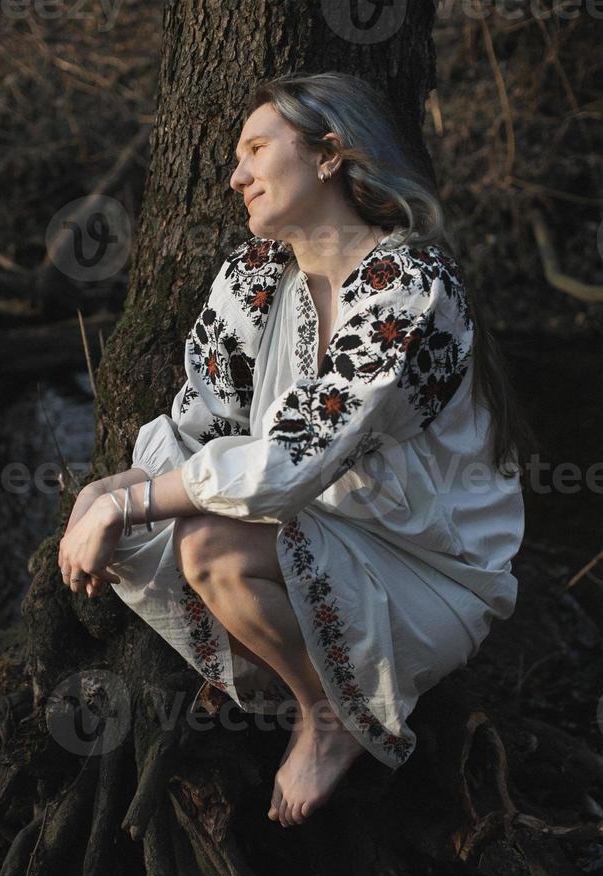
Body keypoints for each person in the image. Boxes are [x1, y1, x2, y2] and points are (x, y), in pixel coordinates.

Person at [58, 71, 534, 829]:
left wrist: (126, 501)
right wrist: (106, 494)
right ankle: (298, 666)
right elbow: (201, 429)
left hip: (428, 570)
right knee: (142, 525)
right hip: (309, 534)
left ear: (328, 156)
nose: (235, 175)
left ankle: (333, 717)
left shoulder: (409, 283)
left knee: (208, 544)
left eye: (254, 148)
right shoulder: (252, 278)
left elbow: (293, 459)